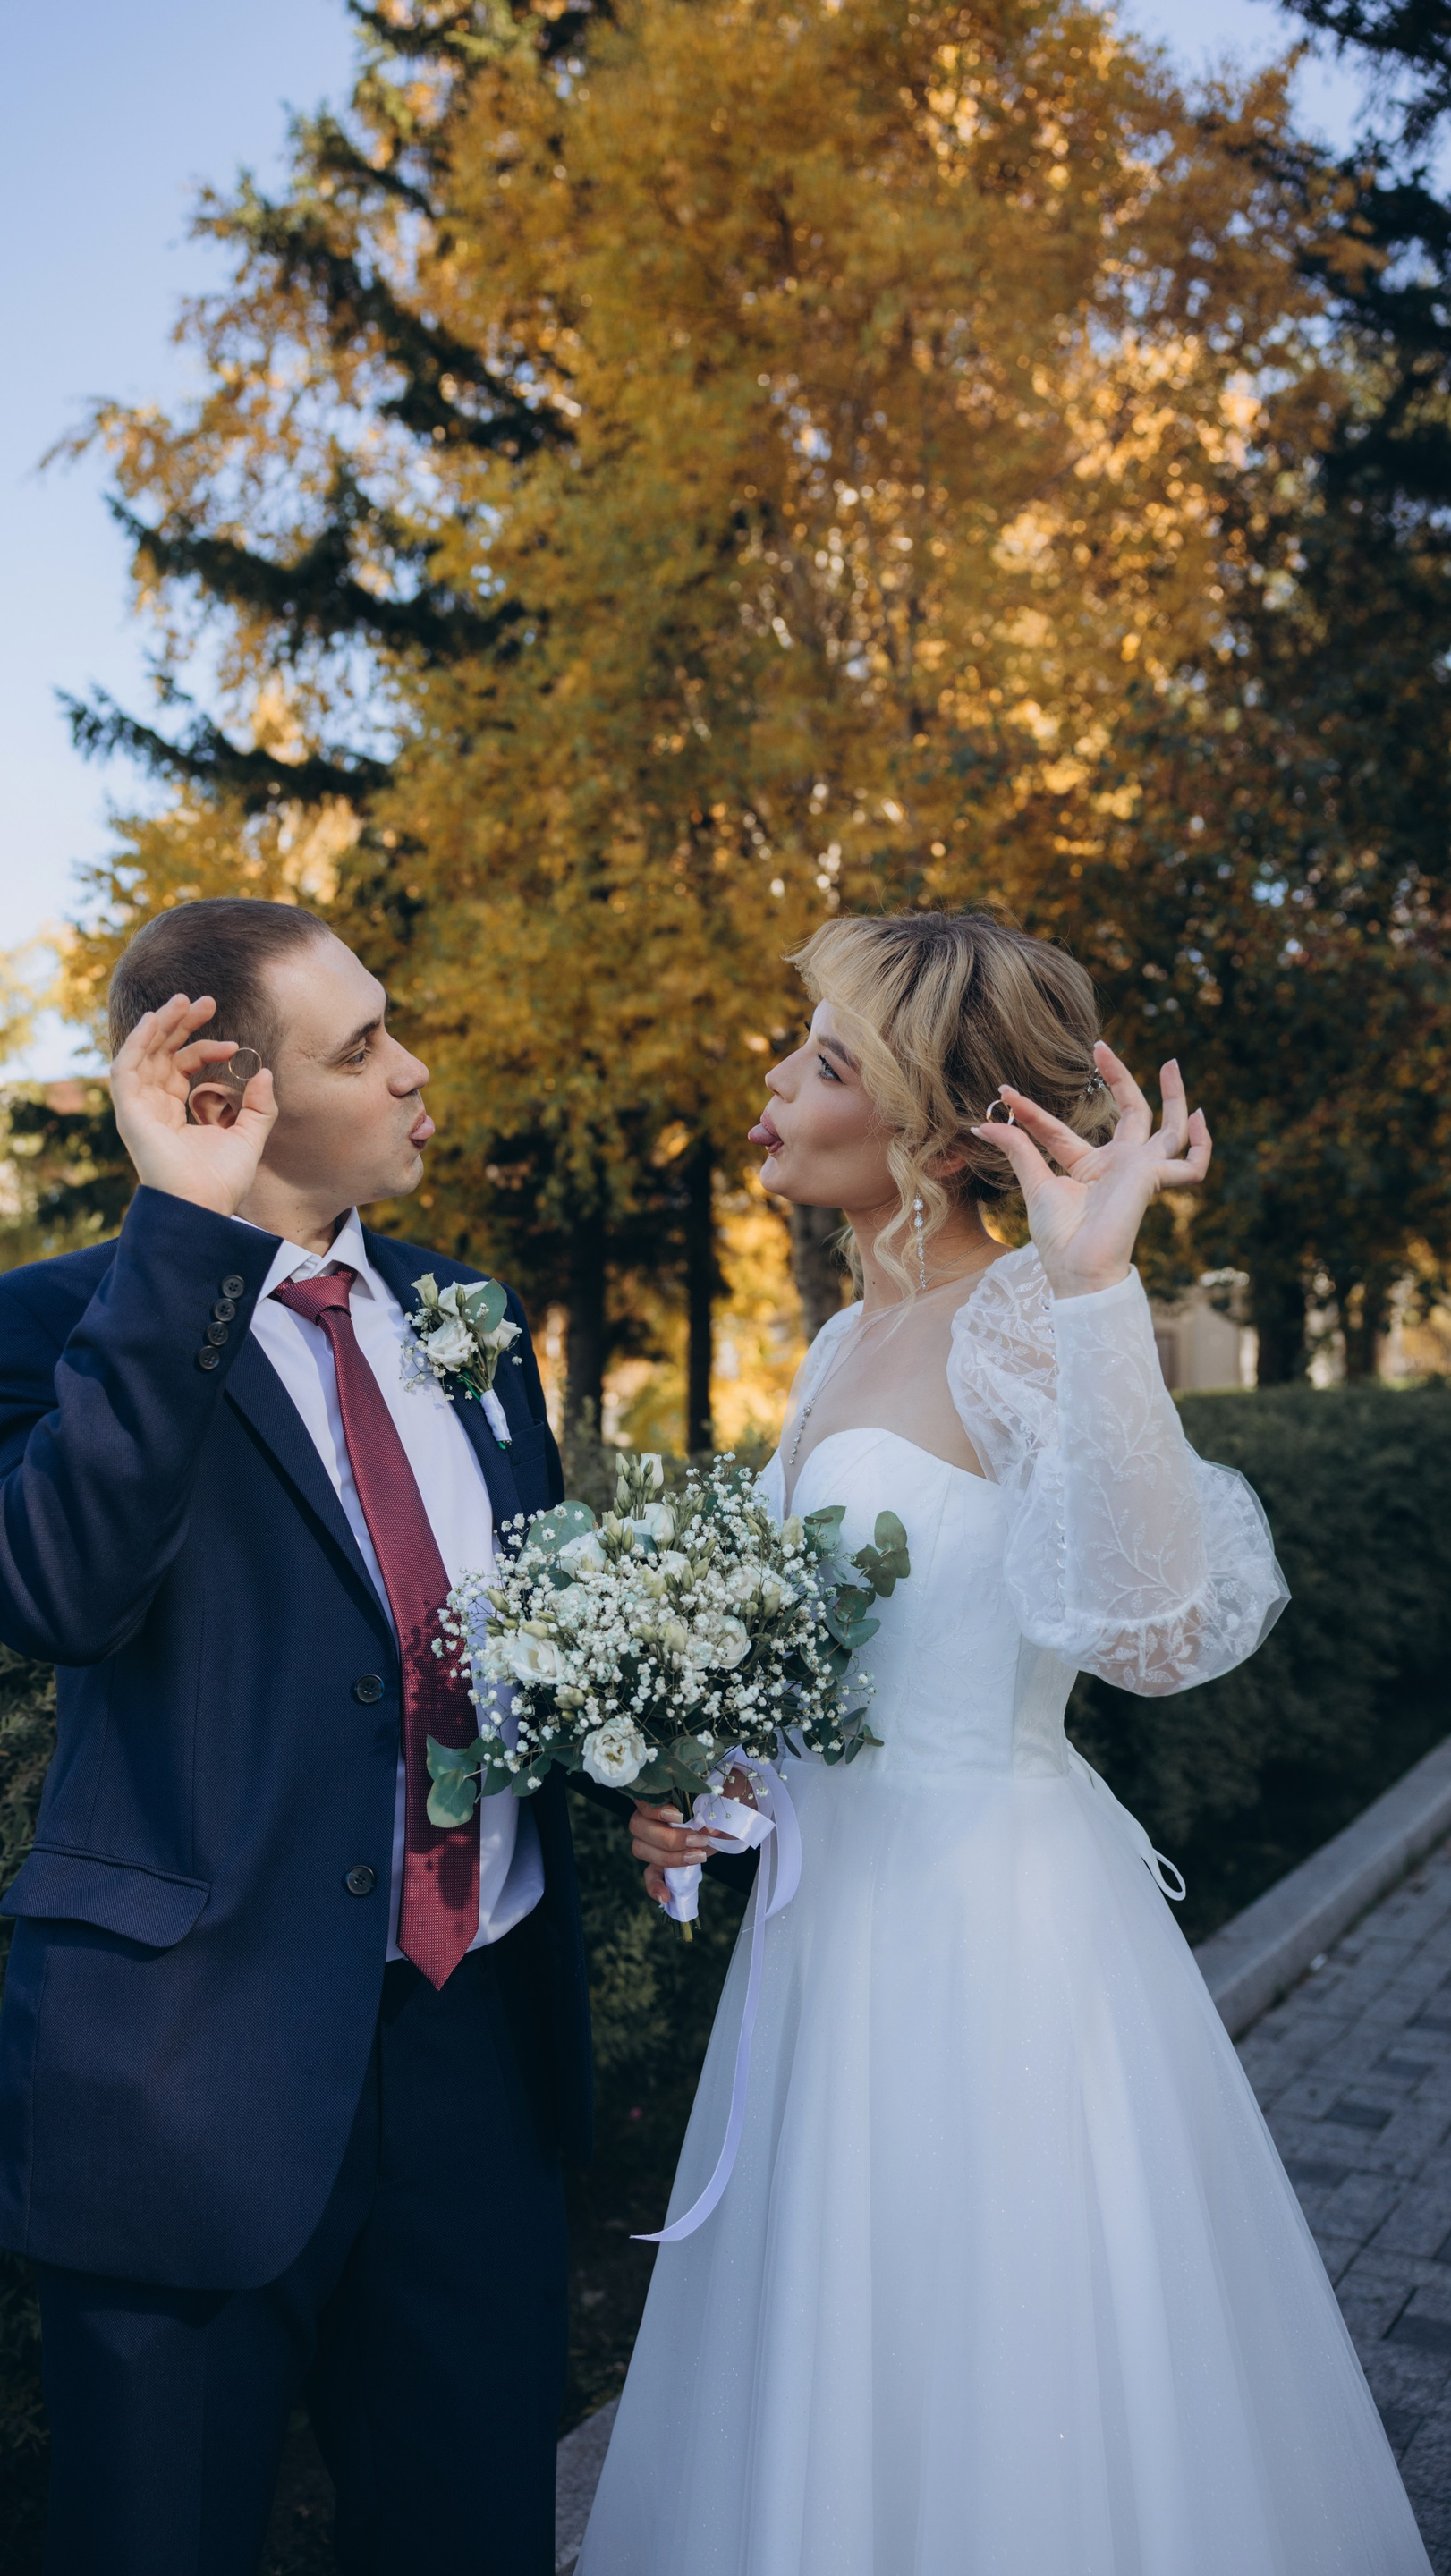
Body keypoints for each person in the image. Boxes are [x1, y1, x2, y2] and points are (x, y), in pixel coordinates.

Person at [580, 909, 1430, 2576]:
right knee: (840, 2359)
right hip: (828, 1937)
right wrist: (718, 1791)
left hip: (989, 1934)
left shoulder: (1034, 1316)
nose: (776, 1082)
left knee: (997, 2345)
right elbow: (846, 1662)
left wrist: (1099, 1289)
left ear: (929, 1124)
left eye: (826, 1061)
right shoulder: (842, 1339)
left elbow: (1158, 1635)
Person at [0, 898, 590, 2576]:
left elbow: (518, 1630)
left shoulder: (475, 1315)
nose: (414, 1069)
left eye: (393, 1025)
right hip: (190, 2075)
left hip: (479, 2049)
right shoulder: (46, 1324)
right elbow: (53, 1592)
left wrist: (642, 1755)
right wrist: (182, 1231)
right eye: (362, 1049)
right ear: (232, 1094)